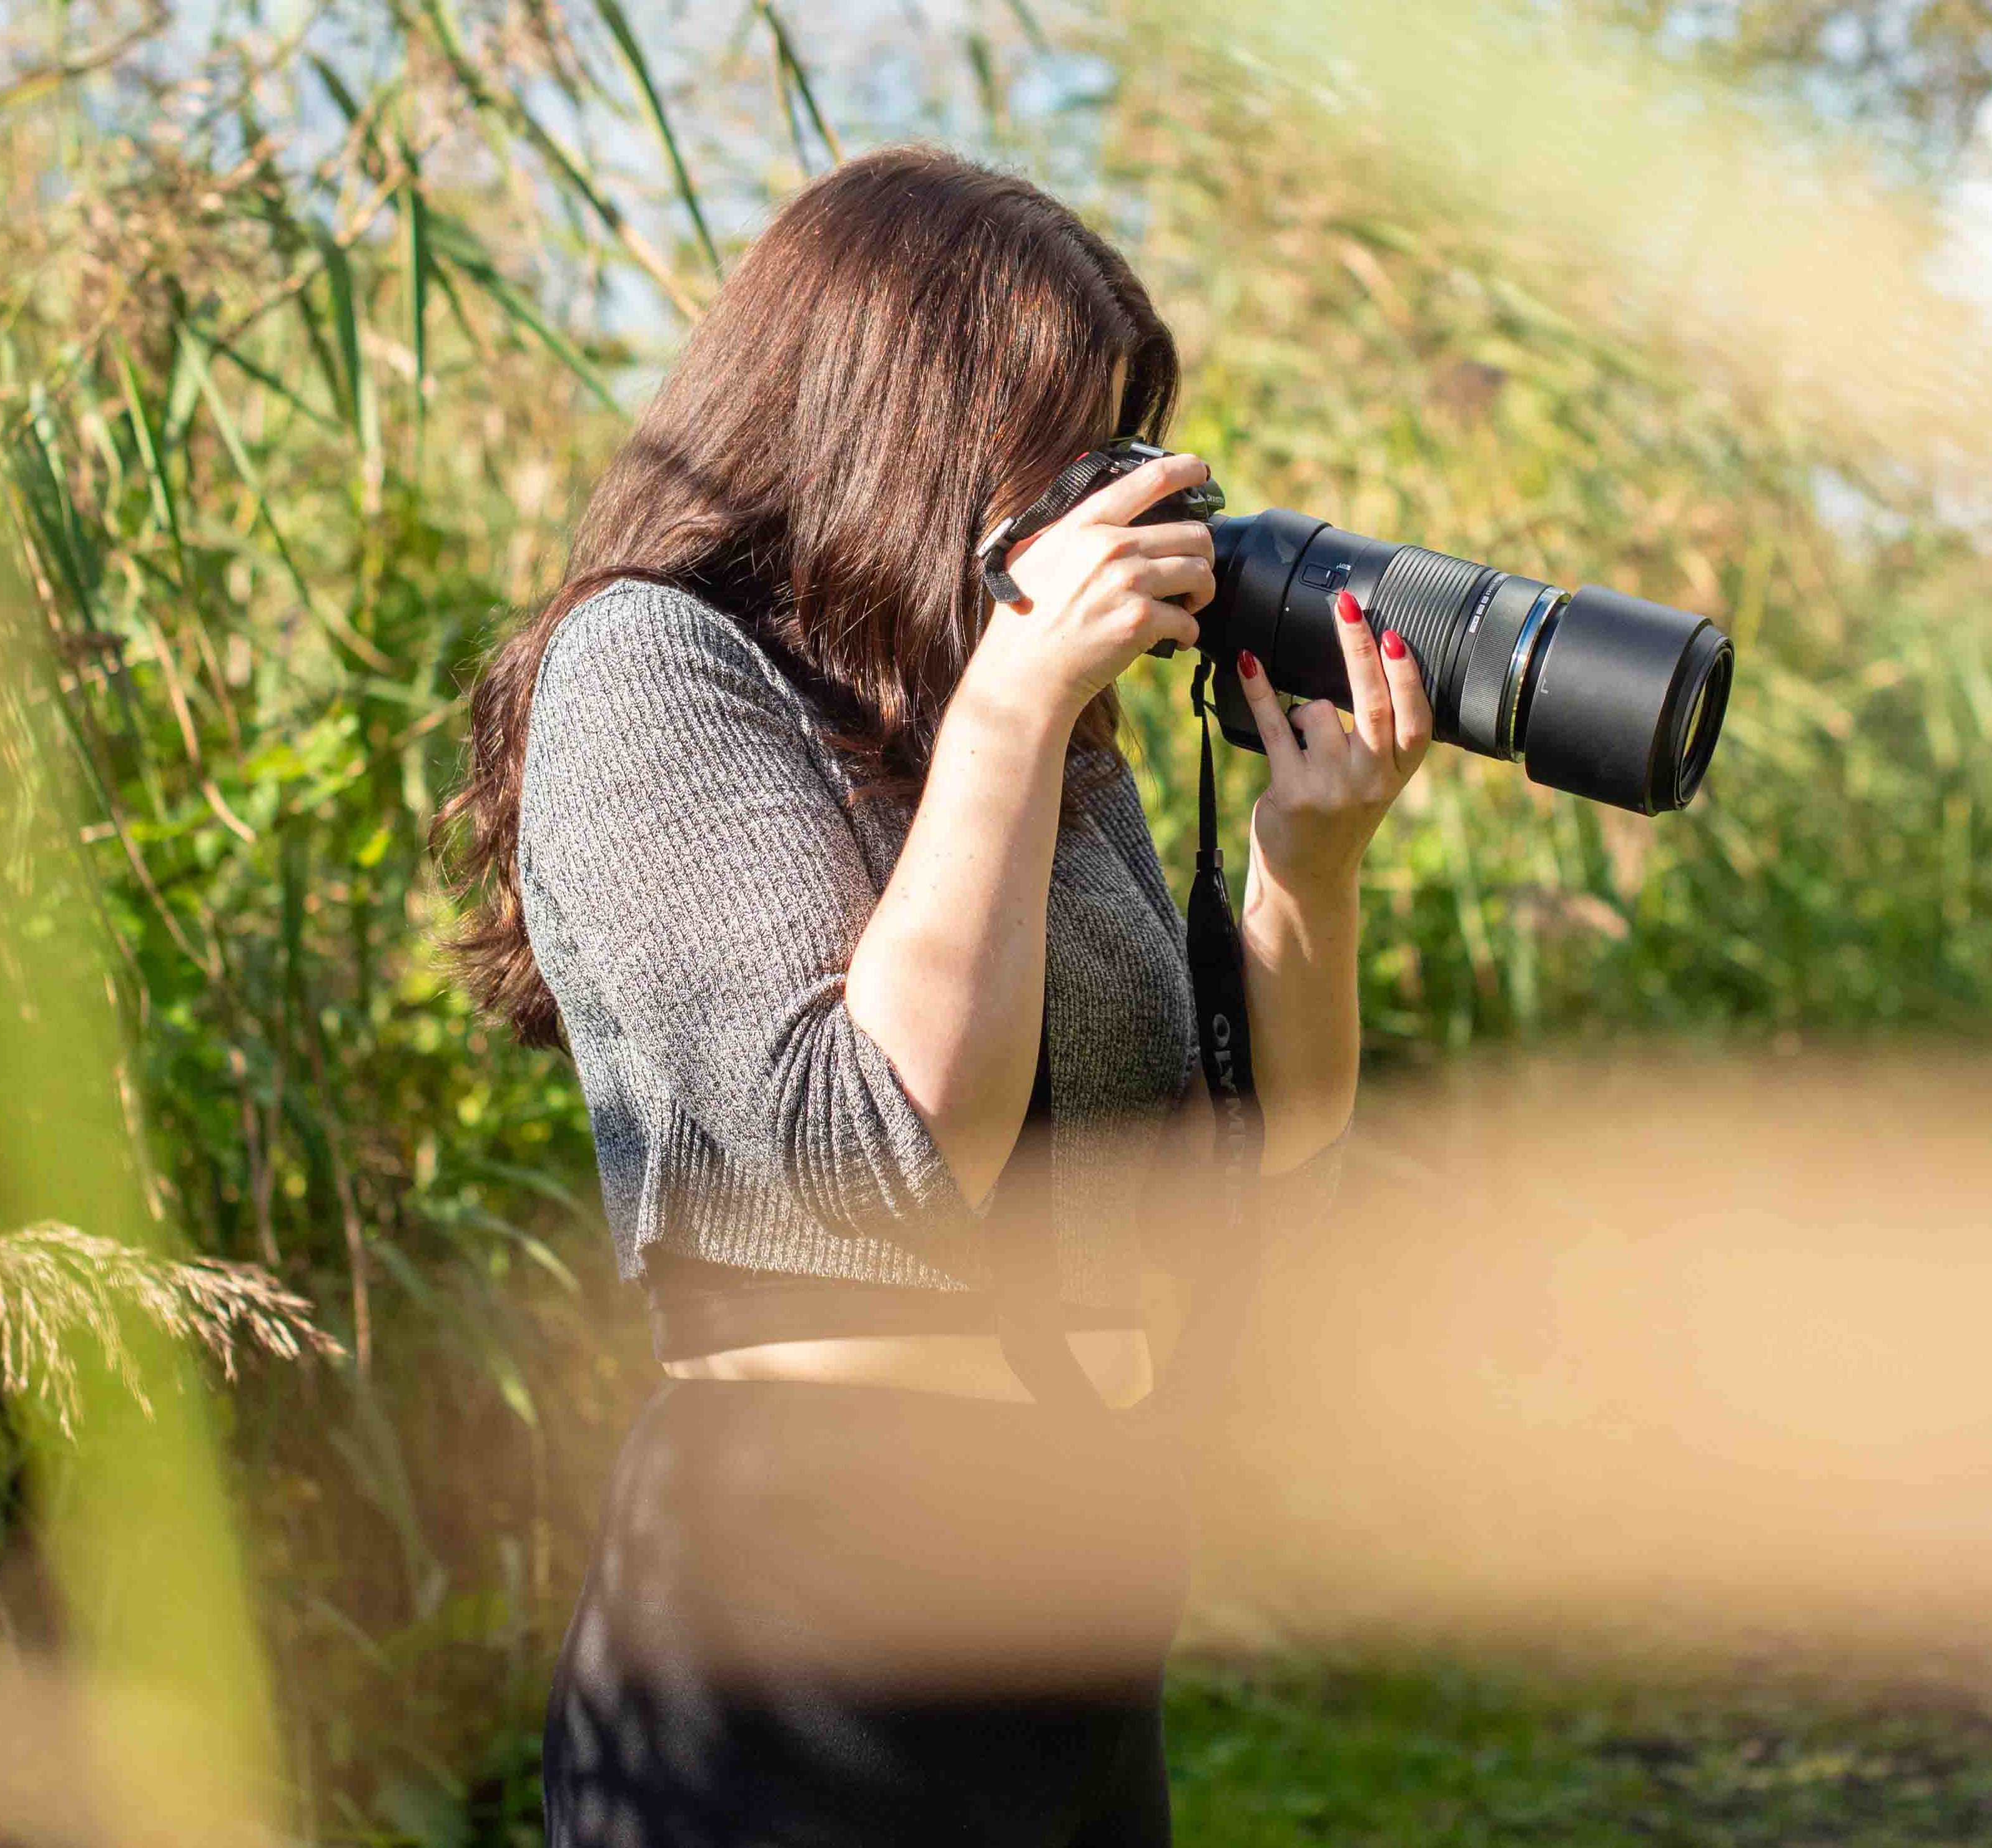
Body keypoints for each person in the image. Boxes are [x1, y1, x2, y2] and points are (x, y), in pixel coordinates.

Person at [436, 148, 1431, 1846]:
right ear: (894, 409)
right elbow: (875, 1146)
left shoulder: (1040, 727)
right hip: (804, 1616)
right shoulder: (662, 660)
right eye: (1060, 435)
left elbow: (1250, 1138)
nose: (1101, 493)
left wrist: (1305, 861)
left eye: (1119, 438)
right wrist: (1015, 703)